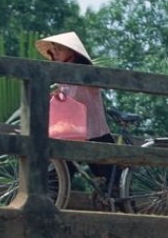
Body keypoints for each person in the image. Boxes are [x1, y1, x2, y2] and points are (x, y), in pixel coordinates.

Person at [35, 31, 117, 194]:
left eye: (59, 49)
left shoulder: (86, 73)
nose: (55, 53)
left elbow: (77, 96)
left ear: (71, 52)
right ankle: (46, 205)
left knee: (114, 185)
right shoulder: (63, 77)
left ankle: (130, 213)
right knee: (58, 175)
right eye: (54, 50)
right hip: (73, 134)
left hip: (94, 133)